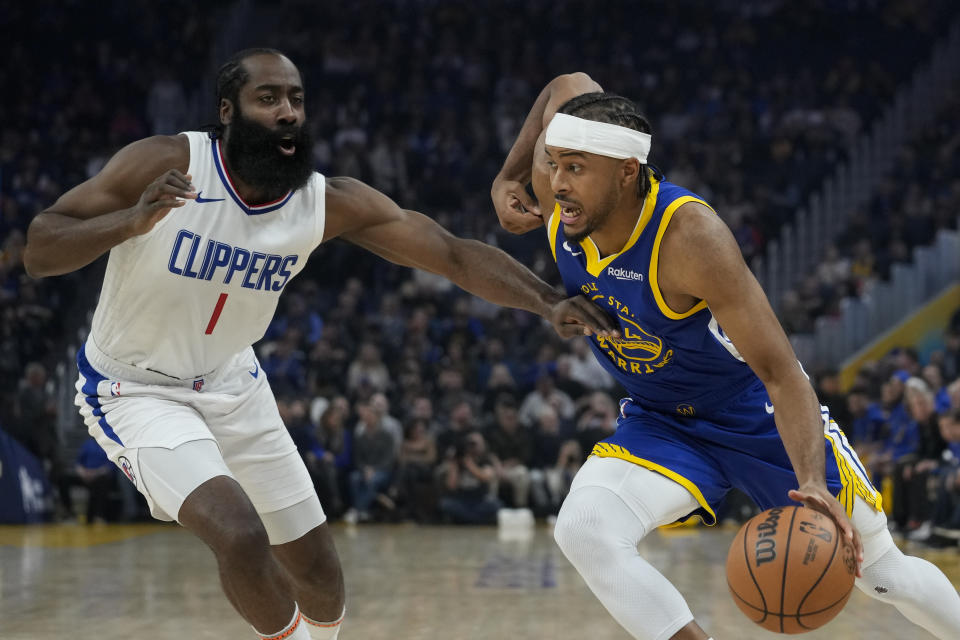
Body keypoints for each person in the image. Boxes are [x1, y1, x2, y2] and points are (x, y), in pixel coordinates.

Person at [22, 50, 617, 640]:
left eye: (296, 99)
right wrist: (127, 224)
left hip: (233, 382)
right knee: (239, 533)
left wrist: (546, 300)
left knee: (322, 577)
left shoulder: (324, 201)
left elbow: (453, 253)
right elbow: (41, 246)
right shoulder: (166, 162)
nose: (287, 112)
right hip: (136, 388)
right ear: (227, 111)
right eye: (269, 98)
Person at [491, 73, 960, 640]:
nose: (556, 184)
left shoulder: (690, 238)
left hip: (753, 409)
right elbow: (566, 84)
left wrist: (811, 480)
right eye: (553, 163)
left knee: (880, 572)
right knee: (584, 528)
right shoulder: (561, 194)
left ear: (626, 171)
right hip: (661, 415)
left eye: (574, 168)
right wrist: (509, 174)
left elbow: (781, 372)